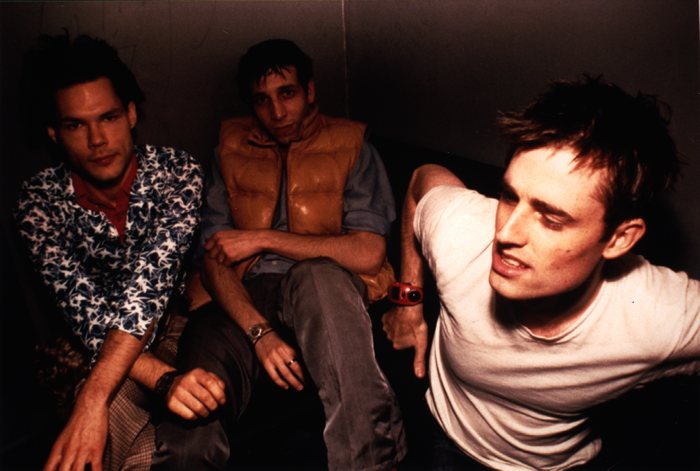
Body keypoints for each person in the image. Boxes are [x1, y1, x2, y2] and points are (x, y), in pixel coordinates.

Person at [383, 76, 700, 470]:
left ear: (619, 239)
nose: (505, 234)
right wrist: (408, 300)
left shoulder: (654, 314)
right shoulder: (462, 237)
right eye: (509, 196)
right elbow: (421, 181)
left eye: (551, 218)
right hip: (446, 440)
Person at [153, 38, 406, 470]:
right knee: (192, 415)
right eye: (262, 100)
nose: (277, 112)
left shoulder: (351, 144)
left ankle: (370, 462)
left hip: (323, 285)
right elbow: (214, 259)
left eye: (287, 93)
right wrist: (260, 333)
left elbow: (367, 253)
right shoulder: (229, 150)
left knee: (317, 277)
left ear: (310, 91)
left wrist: (263, 238)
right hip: (243, 294)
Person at [14, 34, 221, 470]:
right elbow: (88, 316)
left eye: (108, 117)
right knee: (113, 448)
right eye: (75, 125)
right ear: (54, 134)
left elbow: (149, 288)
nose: (97, 139)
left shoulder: (177, 173)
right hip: (95, 351)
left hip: (177, 330)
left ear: (130, 114)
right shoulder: (38, 203)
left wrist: (92, 398)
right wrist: (155, 382)